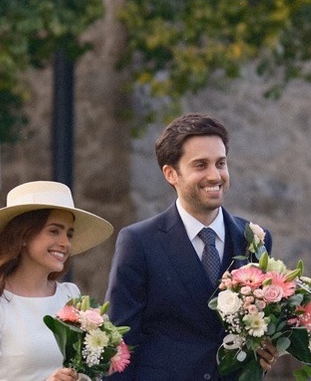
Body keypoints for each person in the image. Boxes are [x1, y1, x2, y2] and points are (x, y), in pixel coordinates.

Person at [105, 113, 274, 380]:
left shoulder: (254, 238)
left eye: (220, 163)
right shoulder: (138, 242)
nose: (214, 175)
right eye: (200, 165)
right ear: (171, 174)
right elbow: (120, 343)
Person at [0, 181, 115, 381]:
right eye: (54, 231)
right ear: (24, 236)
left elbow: (87, 373)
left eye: (69, 234)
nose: (65, 243)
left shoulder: (70, 296)